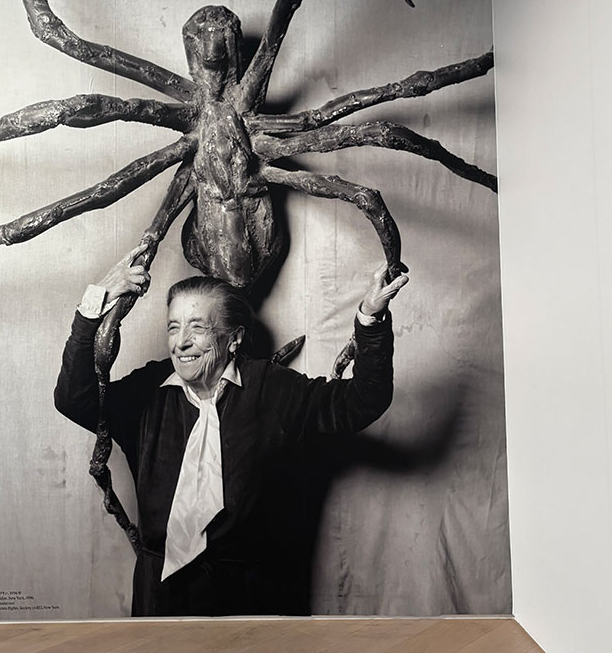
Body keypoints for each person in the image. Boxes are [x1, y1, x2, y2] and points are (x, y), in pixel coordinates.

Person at [55, 245, 408, 617]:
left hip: (251, 602)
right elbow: (74, 400)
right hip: (160, 601)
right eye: (174, 327)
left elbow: (362, 401)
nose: (181, 342)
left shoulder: (273, 388)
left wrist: (370, 317)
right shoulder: (147, 391)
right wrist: (94, 305)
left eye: (197, 328)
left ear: (234, 339)